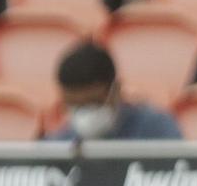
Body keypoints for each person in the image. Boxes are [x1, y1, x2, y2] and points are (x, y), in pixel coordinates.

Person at [47, 41, 182, 142]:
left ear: (116, 90)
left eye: (94, 102)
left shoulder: (156, 130)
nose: (85, 114)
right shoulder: (60, 144)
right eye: (75, 106)